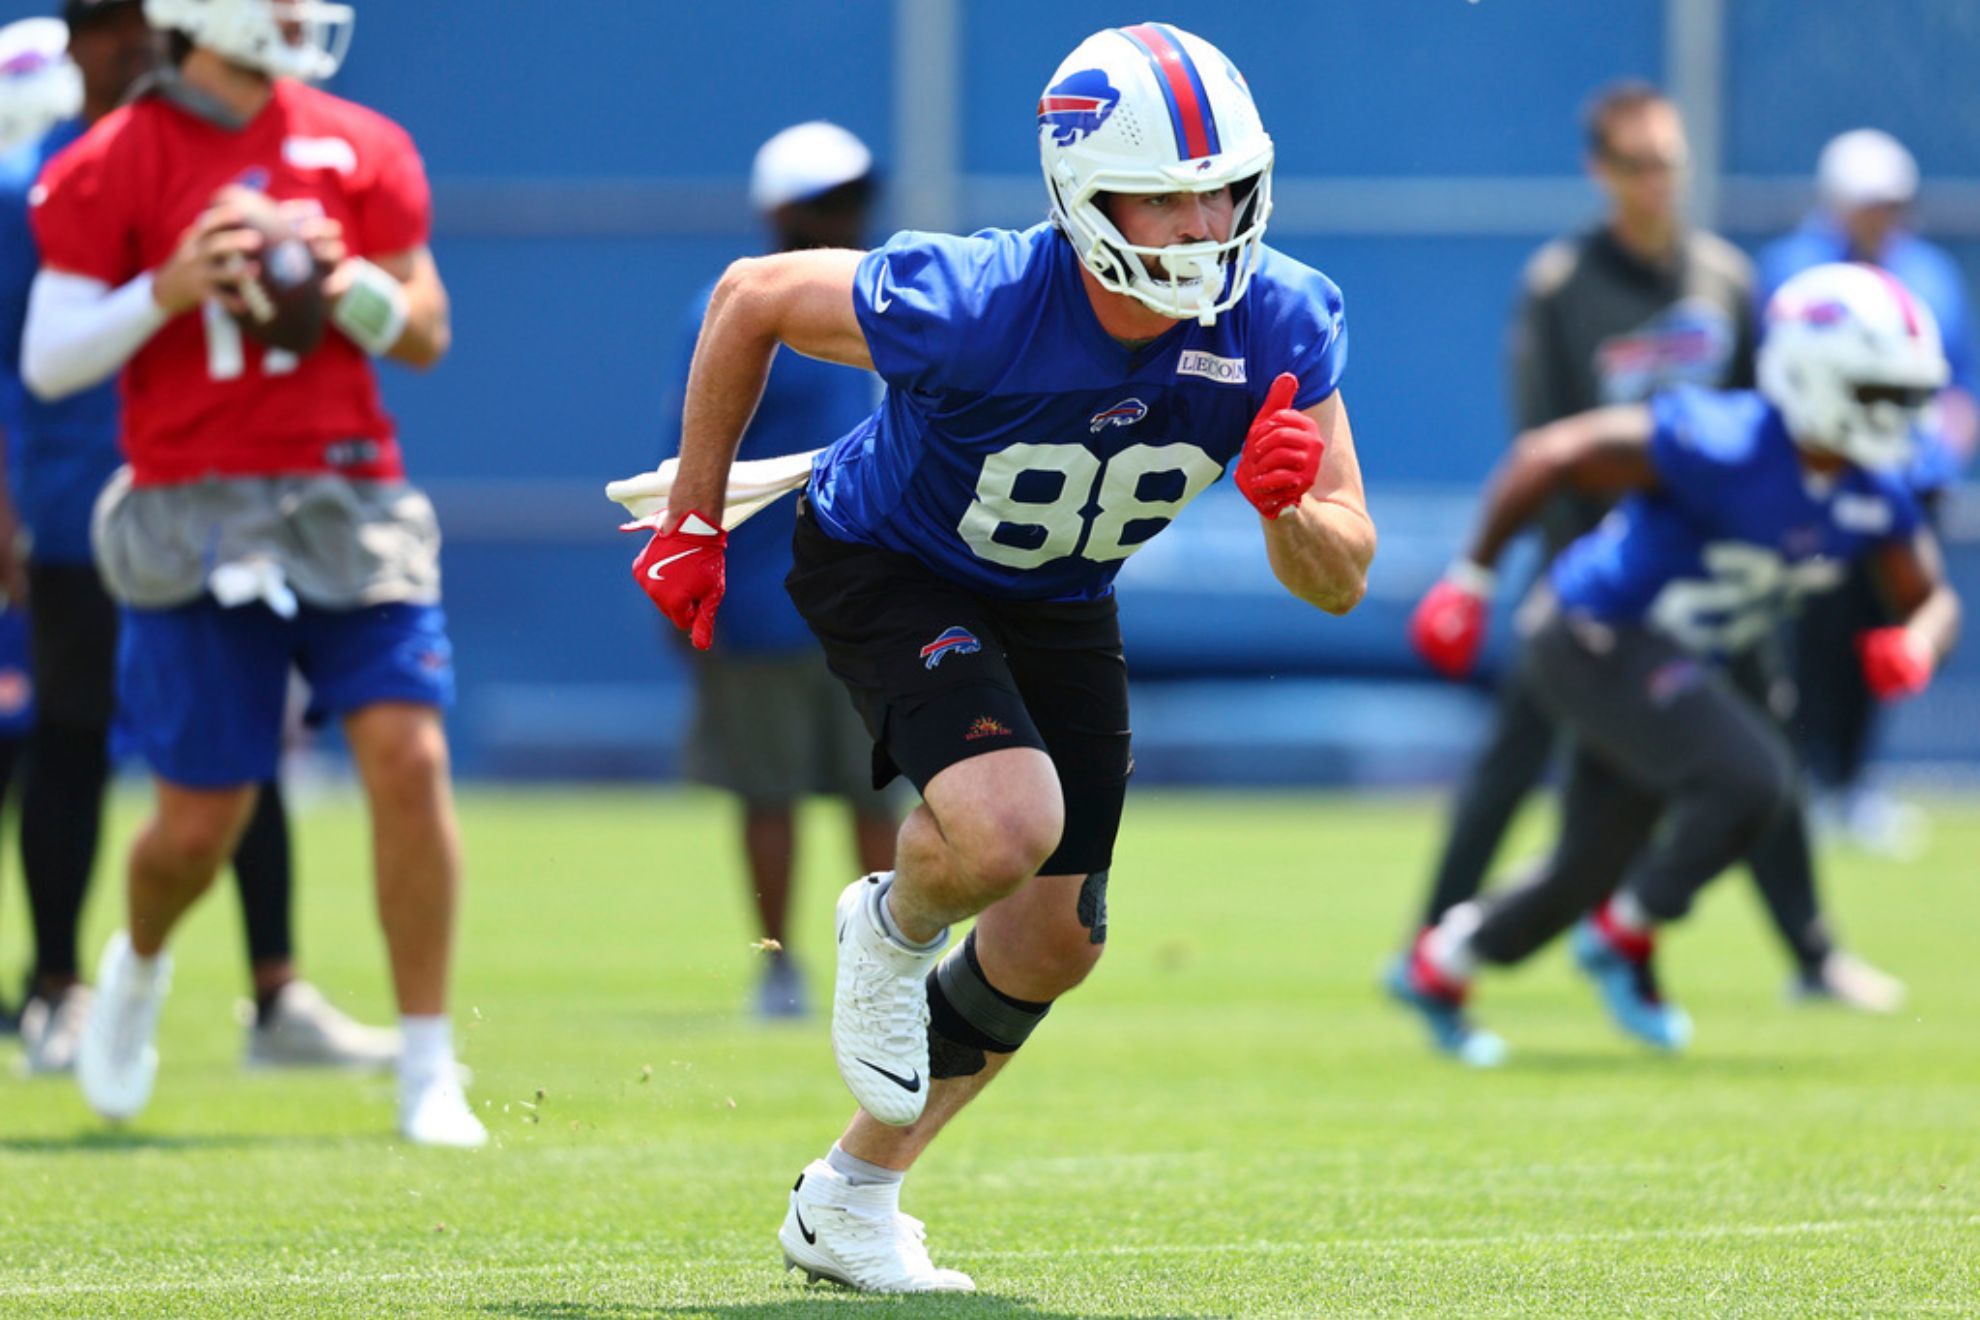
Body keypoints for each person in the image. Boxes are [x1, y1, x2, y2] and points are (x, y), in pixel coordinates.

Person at [629, 23, 1373, 1292]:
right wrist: (696, 517)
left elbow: (1339, 580)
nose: (1202, 224)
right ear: (1085, 193)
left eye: (1221, 189)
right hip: (890, 558)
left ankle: (851, 1197)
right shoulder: (975, 302)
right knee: (1003, 821)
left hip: (1060, 590)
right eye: (1167, 192)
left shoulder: (1281, 321)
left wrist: (1288, 508)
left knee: (1052, 940)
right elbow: (750, 296)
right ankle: (893, 917)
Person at [21, 0, 481, 1145]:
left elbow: (425, 332)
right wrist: (169, 288)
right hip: (193, 500)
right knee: (196, 826)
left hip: (348, 492)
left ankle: (429, 1061)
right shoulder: (110, 157)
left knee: (409, 752)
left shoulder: (360, 142)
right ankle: (133, 965)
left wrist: (347, 285)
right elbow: (47, 358)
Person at [1401, 82, 1902, 1033]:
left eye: (1670, 160)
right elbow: (1547, 438)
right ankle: (1433, 940)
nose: (1658, 181)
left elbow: (1780, 419)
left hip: (1722, 569)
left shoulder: (1721, 279)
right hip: (1600, 576)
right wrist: (1502, 572)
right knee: (1520, 762)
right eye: (1638, 164)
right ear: (1603, 173)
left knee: (1761, 758)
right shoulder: (1563, 284)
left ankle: (1811, 950)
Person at [658, 121, 897, 1021]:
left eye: (855, 197)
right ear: (783, 212)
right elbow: (687, 454)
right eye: (830, 201)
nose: (851, 214)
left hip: (873, 599)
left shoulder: (885, 298)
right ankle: (780, 968)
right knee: (770, 794)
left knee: (878, 790)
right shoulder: (731, 312)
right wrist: (685, 564)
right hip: (761, 596)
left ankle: (882, 967)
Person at [1758, 129, 1978, 857]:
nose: (1882, 216)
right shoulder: (1795, 268)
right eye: (1868, 202)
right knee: (1810, 636)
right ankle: (1805, 779)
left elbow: (1958, 385)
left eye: (1892, 203)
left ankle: (1851, 782)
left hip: (1907, 485)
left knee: (1887, 636)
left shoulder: (1932, 274)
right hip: (1817, 484)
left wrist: (1946, 447)